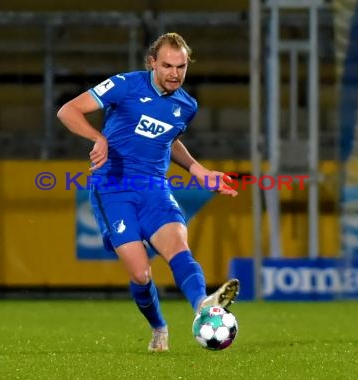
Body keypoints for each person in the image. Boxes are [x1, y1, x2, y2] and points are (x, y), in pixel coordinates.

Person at [57, 32, 240, 352]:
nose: (175, 73)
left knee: (178, 247)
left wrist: (198, 170)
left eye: (181, 67)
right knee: (141, 274)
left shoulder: (186, 105)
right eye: (167, 65)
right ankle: (159, 327)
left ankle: (203, 306)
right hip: (112, 187)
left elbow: (170, 139)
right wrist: (97, 137)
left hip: (155, 186)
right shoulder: (125, 84)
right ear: (152, 63)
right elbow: (68, 111)